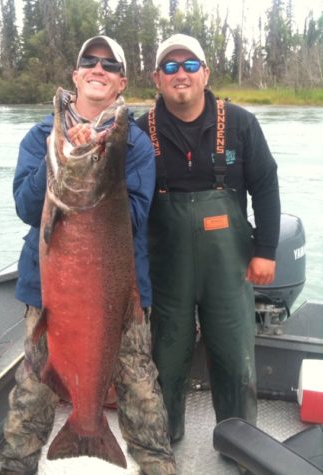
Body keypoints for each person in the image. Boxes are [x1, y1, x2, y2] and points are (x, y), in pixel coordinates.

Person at [0, 36, 175, 475]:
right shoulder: (41, 136)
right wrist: (60, 159)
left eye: (109, 65)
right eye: (89, 62)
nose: (98, 68)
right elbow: (24, 206)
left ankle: (155, 463)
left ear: (121, 83)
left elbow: (133, 214)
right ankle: (16, 464)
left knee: (140, 387)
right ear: (76, 76)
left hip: (119, 291)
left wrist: (93, 165)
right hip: (49, 286)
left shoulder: (135, 145)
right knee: (33, 386)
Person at [137, 34, 281, 442]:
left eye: (188, 65)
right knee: (165, 356)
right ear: (157, 78)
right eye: (169, 67)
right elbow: (124, 204)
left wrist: (266, 251)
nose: (179, 73)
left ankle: (239, 442)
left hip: (229, 268)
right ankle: (164, 439)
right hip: (167, 271)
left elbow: (266, 186)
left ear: (206, 73)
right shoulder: (137, 131)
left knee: (235, 357)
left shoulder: (239, 123)